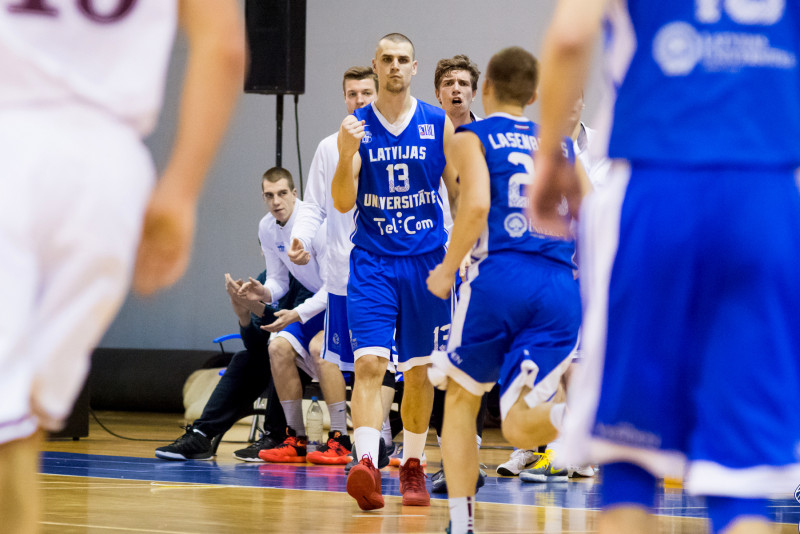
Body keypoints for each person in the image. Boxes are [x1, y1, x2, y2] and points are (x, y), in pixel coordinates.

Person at [529, 2, 800, 534]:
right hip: (766, 189)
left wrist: (547, 158)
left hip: (655, 180)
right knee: (740, 481)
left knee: (626, 461)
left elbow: (569, 37)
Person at [0, 1, 244, 531]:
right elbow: (225, 48)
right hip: (107, 176)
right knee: (21, 424)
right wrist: (181, 192)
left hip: (10, 138)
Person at [426, 46, 582, 534]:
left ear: (486, 88)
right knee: (517, 425)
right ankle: (585, 417)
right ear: (534, 96)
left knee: (461, 397)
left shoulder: (471, 136)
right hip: (559, 285)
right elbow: (594, 214)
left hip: (499, 277)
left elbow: (474, 206)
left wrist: (446, 268)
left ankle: (461, 523)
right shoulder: (561, 144)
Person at [332, 32, 458, 510]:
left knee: (420, 372)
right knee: (369, 364)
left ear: (414, 67)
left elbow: (459, 193)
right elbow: (342, 201)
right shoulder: (356, 126)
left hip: (427, 262)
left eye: (403, 59)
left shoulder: (437, 122)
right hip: (373, 261)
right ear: (376, 65)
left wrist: (466, 253)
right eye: (387, 59)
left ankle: (412, 464)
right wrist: (346, 154)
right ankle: (366, 463)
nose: (395, 66)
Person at [289, 66, 398, 465]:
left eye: (366, 92)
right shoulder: (328, 147)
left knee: (384, 362)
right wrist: (301, 239)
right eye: (352, 94)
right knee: (349, 362)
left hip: (387, 272)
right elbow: (313, 206)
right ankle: (352, 439)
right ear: (345, 98)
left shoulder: (397, 142)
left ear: (378, 93)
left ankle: (381, 442)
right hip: (342, 276)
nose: (359, 100)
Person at [501, 91, 610, 482]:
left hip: (586, 272)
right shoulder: (530, 145)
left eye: (573, 95)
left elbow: (601, 210)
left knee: (575, 364)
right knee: (532, 359)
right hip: (541, 268)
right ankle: (530, 448)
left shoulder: (604, 147)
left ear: (581, 99)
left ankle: (578, 450)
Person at [239, 167, 352, 464]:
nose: (276, 201)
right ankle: (296, 438)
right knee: (277, 346)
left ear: (294, 194)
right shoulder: (267, 227)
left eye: (282, 194)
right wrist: (263, 292)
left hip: (343, 299)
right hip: (317, 303)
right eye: (269, 195)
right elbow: (279, 281)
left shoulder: (316, 226)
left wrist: (297, 313)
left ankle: (340, 439)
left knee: (319, 348)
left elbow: (333, 285)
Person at [153, 270, 313, 462]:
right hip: (276, 352)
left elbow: (297, 326)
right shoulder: (265, 278)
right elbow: (256, 345)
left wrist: (255, 306)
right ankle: (201, 434)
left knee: (282, 355)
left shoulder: (307, 276)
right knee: (245, 358)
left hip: (309, 353)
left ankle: (277, 436)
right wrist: (244, 317)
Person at [426, 53, 490, 495]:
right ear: (437, 92)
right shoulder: (424, 134)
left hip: (478, 261)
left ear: (474, 91)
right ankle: (448, 456)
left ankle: (469, 458)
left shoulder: (486, 138)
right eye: (449, 83)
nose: (456, 89)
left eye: (463, 83)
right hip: (428, 260)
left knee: (470, 360)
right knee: (431, 362)